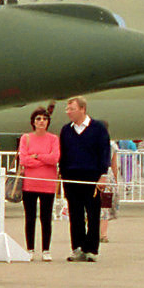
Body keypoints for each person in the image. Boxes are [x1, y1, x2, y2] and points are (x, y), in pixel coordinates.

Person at [58, 96, 112, 262]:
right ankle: (77, 247)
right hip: (72, 177)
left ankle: (92, 249)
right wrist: (63, 175)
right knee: (75, 214)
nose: (68, 113)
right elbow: (64, 154)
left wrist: (103, 175)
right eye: (67, 109)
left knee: (93, 213)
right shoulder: (66, 130)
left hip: (92, 177)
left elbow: (104, 152)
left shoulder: (98, 129)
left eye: (71, 109)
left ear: (82, 109)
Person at [17, 107, 60, 261]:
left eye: (44, 119)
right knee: (30, 217)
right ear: (33, 122)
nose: (42, 121)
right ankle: (30, 249)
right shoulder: (26, 138)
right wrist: (42, 160)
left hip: (48, 184)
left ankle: (46, 250)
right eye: (38, 119)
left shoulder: (53, 139)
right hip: (29, 184)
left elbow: (54, 158)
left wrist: (36, 156)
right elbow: (23, 160)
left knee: (46, 217)